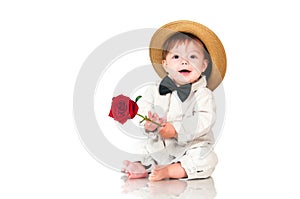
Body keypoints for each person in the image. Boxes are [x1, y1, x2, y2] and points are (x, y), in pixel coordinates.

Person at [122, 20, 226, 181]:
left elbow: (205, 120)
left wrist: (176, 130)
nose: (184, 62)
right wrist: (148, 124)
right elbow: (142, 110)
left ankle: (172, 170)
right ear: (165, 64)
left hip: (190, 147)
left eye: (192, 56)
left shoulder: (203, 94)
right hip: (161, 146)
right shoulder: (154, 90)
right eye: (176, 56)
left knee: (207, 158)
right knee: (139, 147)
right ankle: (145, 167)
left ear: (204, 65)